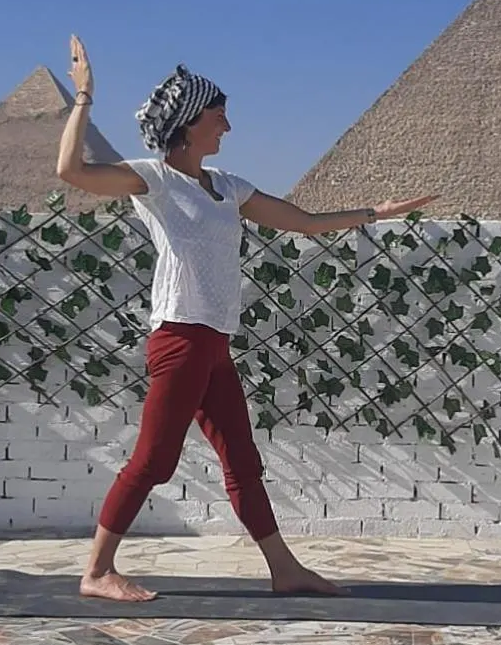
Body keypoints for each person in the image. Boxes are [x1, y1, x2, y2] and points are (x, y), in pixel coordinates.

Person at [55, 35, 436, 602]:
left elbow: (302, 222)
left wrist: (373, 213)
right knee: (154, 462)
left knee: (242, 459)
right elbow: (71, 170)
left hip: (213, 343)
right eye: (218, 115)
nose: (227, 126)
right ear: (189, 124)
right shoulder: (155, 180)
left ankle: (284, 569)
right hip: (179, 337)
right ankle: (96, 571)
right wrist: (84, 96)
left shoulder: (227, 187)